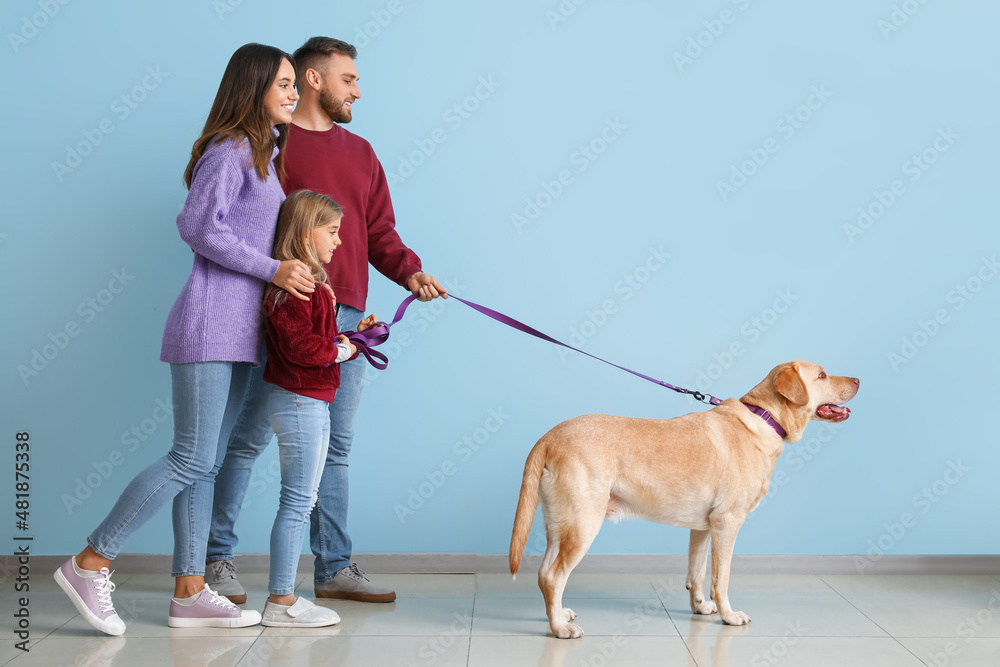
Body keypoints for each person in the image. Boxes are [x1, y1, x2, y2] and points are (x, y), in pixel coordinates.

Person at [54, 43, 314, 634]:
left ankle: (191, 590)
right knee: (191, 457)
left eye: (296, 83)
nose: (293, 92)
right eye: (282, 83)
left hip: (241, 333)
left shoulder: (267, 156)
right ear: (252, 87)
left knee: (206, 463)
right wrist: (275, 270)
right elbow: (197, 227)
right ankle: (89, 560)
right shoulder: (231, 149)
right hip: (208, 325)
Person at [205, 36, 446, 605]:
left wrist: (411, 272)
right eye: (349, 79)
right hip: (284, 308)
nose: (357, 90)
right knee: (247, 439)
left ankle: (334, 568)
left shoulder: (362, 153)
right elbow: (241, 225)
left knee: (336, 444)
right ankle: (216, 560)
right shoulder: (268, 146)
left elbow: (380, 234)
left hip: (350, 315)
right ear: (314, 79)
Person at [256, 189, 378, 627]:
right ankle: (280, 602)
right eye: (332, 231)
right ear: (307, 232)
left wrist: (355, 340)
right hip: (299, 403)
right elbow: (302, 347)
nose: (338, 242)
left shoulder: (314, 284)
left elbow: (322, 342)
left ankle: (282, 598)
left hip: (312, 403)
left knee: (301, 500)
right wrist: (340, 351)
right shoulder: (297, 286)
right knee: (296, 502)